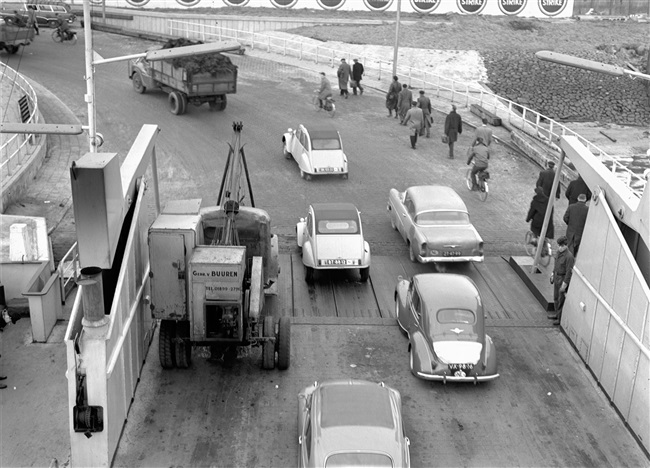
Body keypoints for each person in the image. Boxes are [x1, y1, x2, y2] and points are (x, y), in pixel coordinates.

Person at [549, 236, 574, 325]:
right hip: (556, 277)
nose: (560, 247)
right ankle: (556, 314)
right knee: (556, 297)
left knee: (561, 300)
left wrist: (565, 284)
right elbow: (556, 265)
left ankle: (559, 318)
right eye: (559, 245)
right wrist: (552, 274)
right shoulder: (558, 253)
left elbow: (568, 272)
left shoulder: (569, 257)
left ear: (566, 245)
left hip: (562, 278)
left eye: (562, 245)